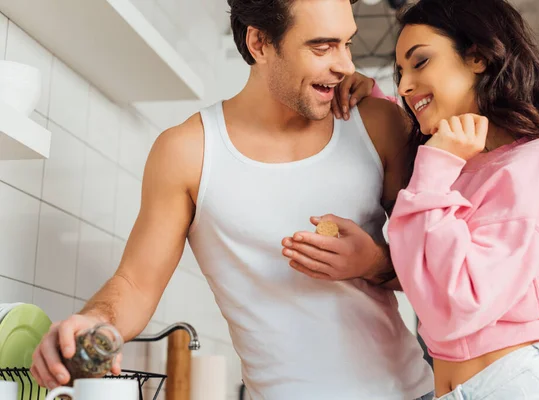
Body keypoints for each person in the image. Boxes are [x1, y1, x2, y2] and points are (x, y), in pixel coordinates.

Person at [31, 0, 435, 399]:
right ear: (259, 43)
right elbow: (135, 283)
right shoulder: (189, 152)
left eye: (347, 43)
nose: (346, 65)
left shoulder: (378, 125)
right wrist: (93, 321)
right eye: (322, 46)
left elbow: (439, 271)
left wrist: (374, 263)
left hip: (409, 392)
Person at [299, 0, 539, 398]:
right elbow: (431, 271)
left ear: (477, 57)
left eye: (420, 62)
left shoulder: (536, 165)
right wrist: (372, 97)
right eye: (400, 72)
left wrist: (436, 164)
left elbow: (458, 306)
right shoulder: (460, 170)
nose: (404, 85)